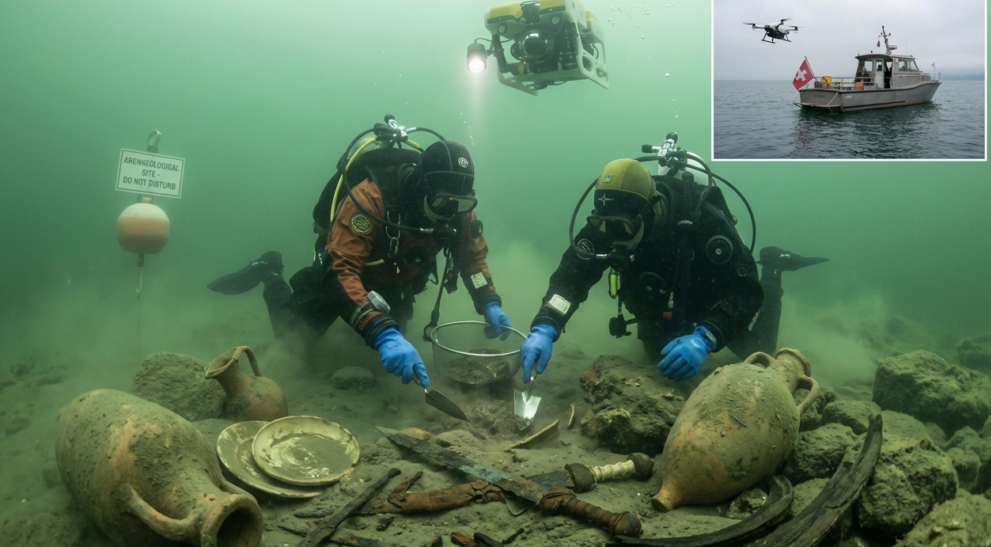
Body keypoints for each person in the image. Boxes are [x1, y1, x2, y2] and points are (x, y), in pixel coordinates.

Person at [208, 131, 510, 388]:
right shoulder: (369, 199)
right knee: (293, 341)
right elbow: (341, 270)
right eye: (442, 203)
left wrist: (488, 300)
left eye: (462, 204)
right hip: (340, 280)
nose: (451, 213)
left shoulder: (458, 206)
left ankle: (371, 324)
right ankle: (270, 270)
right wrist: (382, 332)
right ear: (422, 188)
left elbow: (472, 258)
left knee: (377, 357)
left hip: (394, 283)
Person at [519, 156, 827, 383]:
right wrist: (547, 323)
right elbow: (571, 278)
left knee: (760, 353)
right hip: (658, 305)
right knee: (660, 361)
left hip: (707, 299)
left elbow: (745, 290)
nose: (612, 238)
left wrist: (706, 337)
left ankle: (774, 265)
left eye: (622, 228)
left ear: (649, 212)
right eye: (603, 225)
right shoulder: (606, 223)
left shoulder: (703, 223)